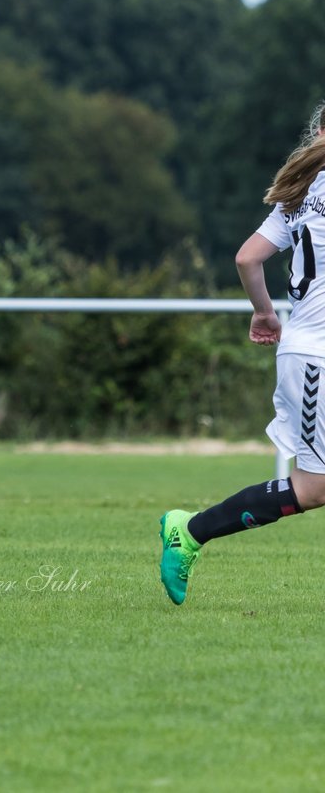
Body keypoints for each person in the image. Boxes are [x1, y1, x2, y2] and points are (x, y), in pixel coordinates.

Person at [159, 103, 325, 605]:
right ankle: (190, 530)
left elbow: (247, 257)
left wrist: (264, 313)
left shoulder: (301, 193)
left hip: (304, 346)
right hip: (318, 358)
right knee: (313, 488)